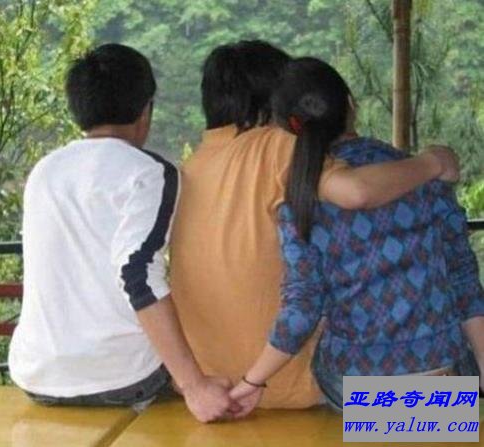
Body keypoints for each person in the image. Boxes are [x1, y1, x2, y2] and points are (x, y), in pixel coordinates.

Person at [170, 40, 461, 409]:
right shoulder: (276, 146)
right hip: (287, 384)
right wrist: (433, 163)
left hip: (213, 386)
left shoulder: (189, 167)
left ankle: (435, 415)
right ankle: (434, 416)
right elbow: (356, 192)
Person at [229, 57, 484, 415]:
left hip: (354, 384)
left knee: (327, 346)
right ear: (351, 103)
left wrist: (251, 382)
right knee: (443, 381)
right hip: (441, 371)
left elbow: (303, 309)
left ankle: (395, 418)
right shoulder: (424, 176)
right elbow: (464, 281)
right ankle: (433, 413)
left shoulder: (299, 201)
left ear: (288, 130)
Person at [8, 43, 239, 423]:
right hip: (125, 378)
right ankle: (355, 420)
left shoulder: (45, 171)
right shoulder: (148, 172)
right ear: (145, 111)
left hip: (37, 376)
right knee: (231, 367)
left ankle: (356, 417)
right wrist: (194, 385)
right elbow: (137, 272)